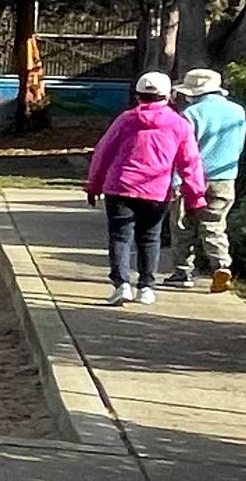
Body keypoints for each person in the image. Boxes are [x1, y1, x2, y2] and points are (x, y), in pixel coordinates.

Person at [86, 70, 208, 307]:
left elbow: (103, 152)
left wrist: (94, 184)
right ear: (169, 96)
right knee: (150, 239)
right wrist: (195, 197)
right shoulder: (179, 124)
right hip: (156, 190)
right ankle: (146, 287)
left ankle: (121, 285)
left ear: (138, 96)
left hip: (120, 187)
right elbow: (190, 162)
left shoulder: (125, 120)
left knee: (120, 237)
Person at [167, 68, 246, 293]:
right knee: (214, 224)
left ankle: (182, 272)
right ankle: (221, 265)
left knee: (182, 225)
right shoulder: (237, 111)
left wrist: (175, 181)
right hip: (225, 176)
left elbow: (182, 150)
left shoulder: (191, 114)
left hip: (192, 177)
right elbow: (240, 144)